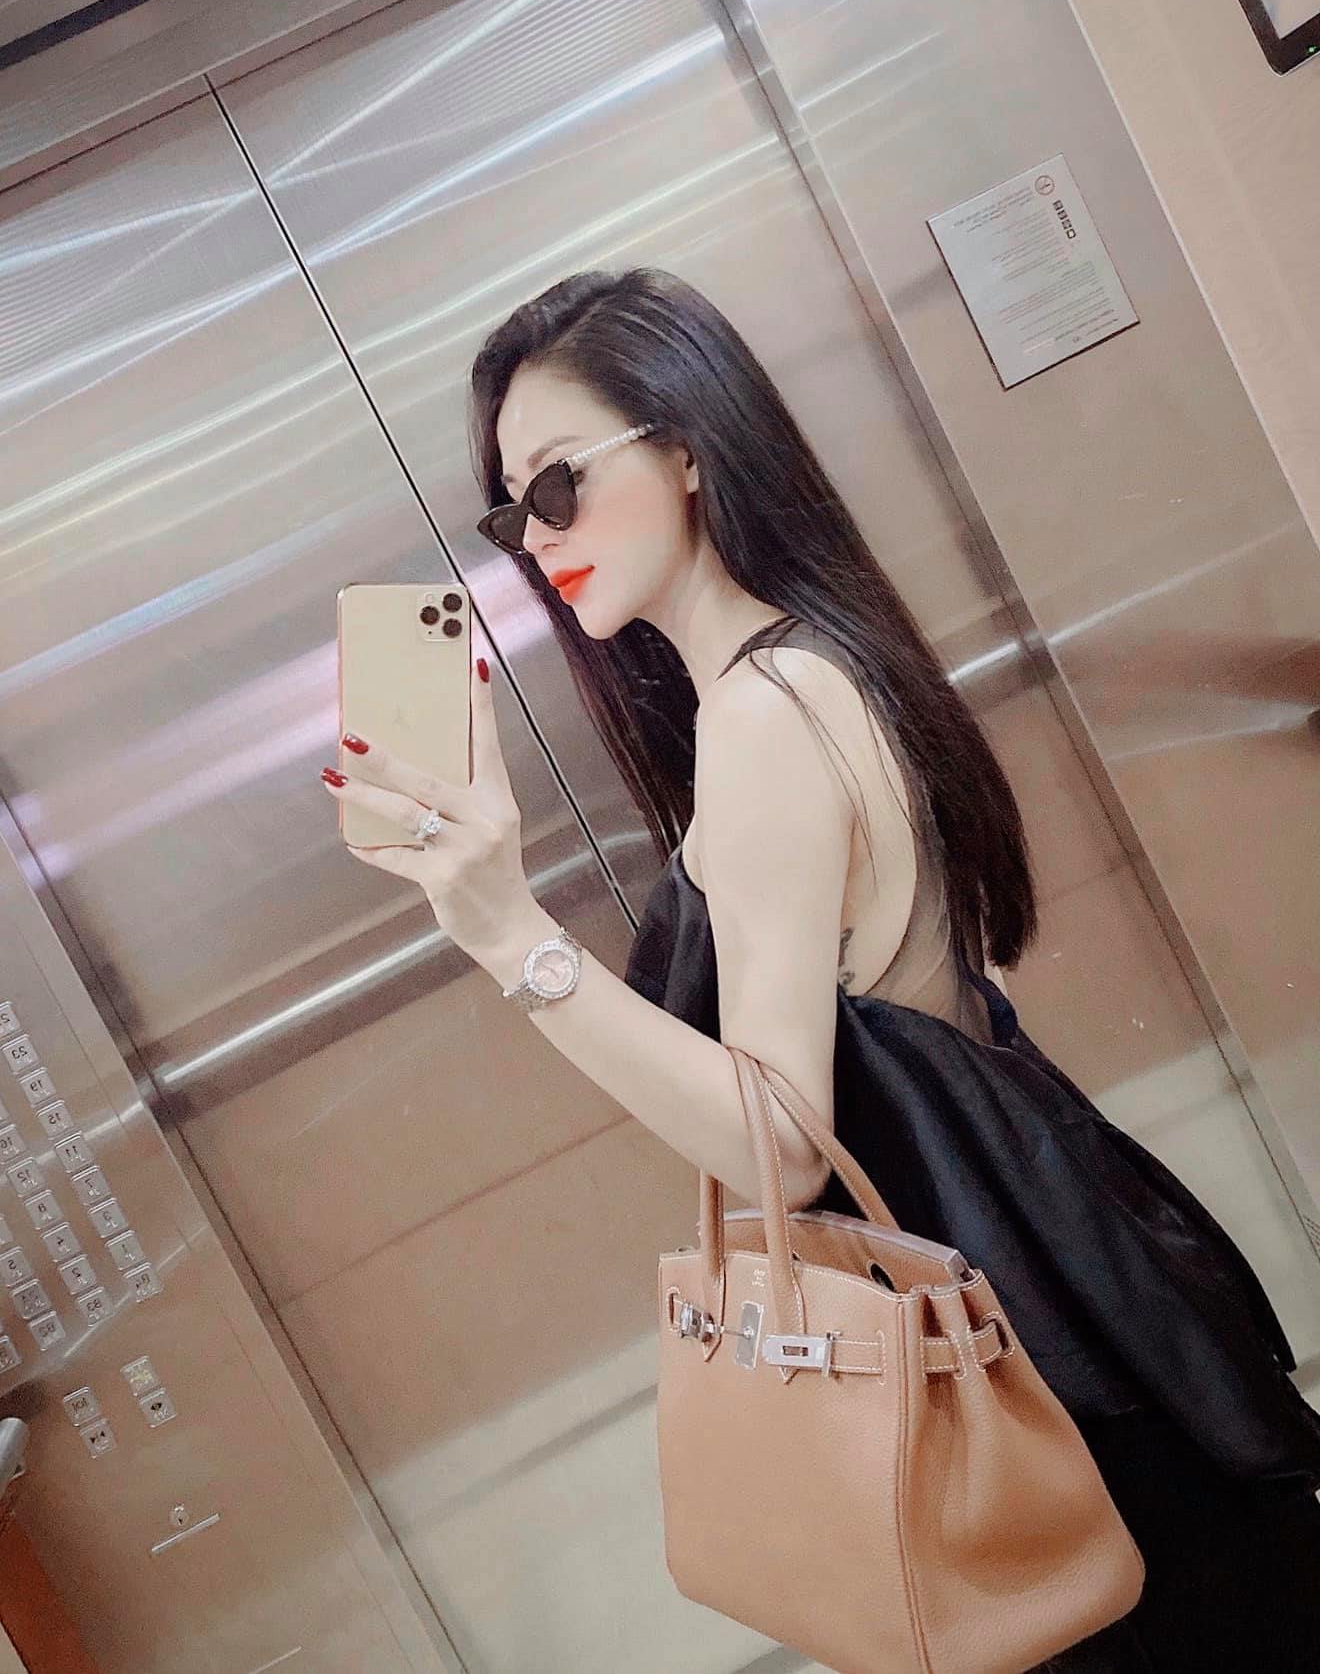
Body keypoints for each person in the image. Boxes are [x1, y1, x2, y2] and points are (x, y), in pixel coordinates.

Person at [320, 268, 1320, 1670]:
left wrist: (507, 933)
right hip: (1039, 1308)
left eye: (558, 484)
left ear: (686, 445)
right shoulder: (812, 665)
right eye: (511, 512)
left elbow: (782, 1146)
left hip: (993, 1364)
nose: (537, 538)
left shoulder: (764, 713)